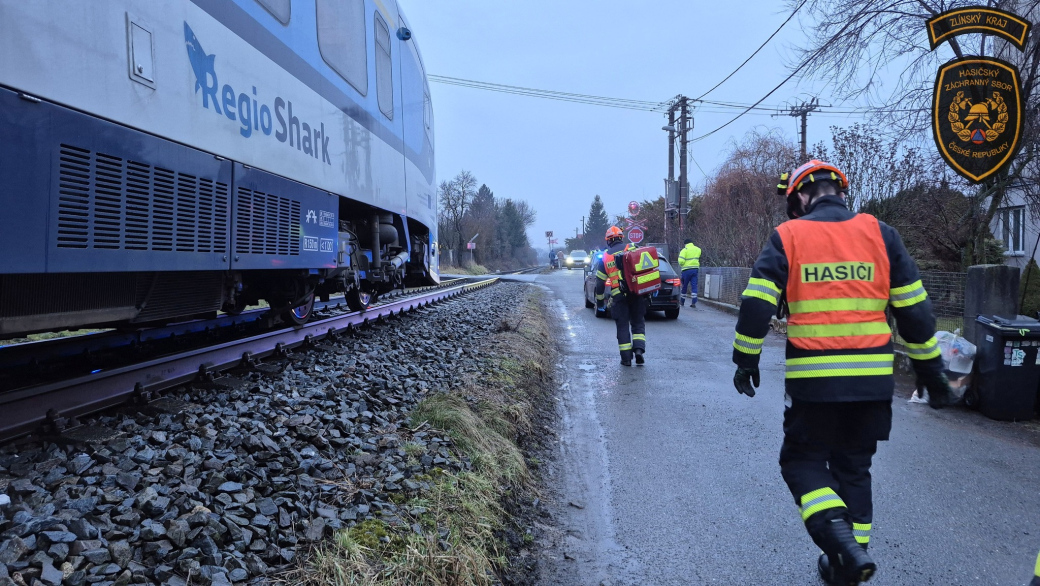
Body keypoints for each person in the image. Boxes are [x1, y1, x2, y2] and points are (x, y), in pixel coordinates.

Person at [730, 160, 952, 585]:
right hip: (872, 382)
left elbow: (757, 303)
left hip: (815, 381)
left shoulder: (789, 235)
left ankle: (837, 537)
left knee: (801, 461)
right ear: (840, 190)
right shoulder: (881, 234)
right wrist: (931, 370)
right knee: (854, 468)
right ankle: (848, 564)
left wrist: (746, 359)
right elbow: (915, 311)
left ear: (799, 195)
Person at [594, 227, 647, 366]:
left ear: (608, 241)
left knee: (622, 326)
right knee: (638, 323)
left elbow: (599, 284)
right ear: (621, 238)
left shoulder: (605, 257)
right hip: (636, 293)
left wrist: (600, 303)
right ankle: (639, 351)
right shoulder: (633, 248)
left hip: (618, 297)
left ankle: (626, 359)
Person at [678, 238, 701, 308]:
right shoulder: (698, 249)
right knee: (694, 285)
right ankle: (694, 302)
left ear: (685, 244)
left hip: (686, 270)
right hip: (695, 270)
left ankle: (682, 301)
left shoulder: (684, 250)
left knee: (684, 286)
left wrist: (682, 265)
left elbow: (681, 261)